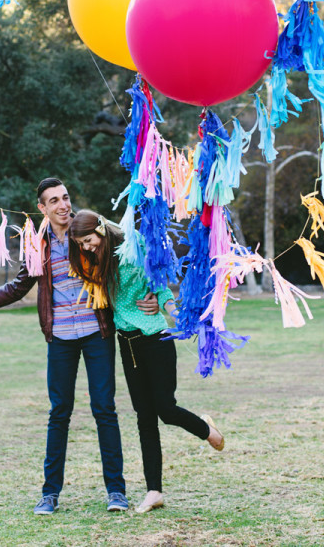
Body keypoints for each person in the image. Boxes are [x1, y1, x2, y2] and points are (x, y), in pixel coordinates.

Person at [0, 178, 130, 516]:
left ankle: (116, 491)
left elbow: (127, 261)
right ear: (42, 208)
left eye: (66, 198)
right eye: (54, 201)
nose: (63, 205)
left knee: (105, 410)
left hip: (97, 334)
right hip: (59, 338)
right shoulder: (36, 243)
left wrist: (149, 296)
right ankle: (49, 494)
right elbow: (17, 288)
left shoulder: (87, 231)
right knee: (59, 414)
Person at [68, 209, 225, 514]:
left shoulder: (135, 244)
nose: (85, 247)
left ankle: (208, 431)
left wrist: (171, 308)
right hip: (127, 345)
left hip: (155, 340)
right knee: (144, 419)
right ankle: (154, 490)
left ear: (101, 229)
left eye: (88, 240)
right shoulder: (94, 259)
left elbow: (161, 282)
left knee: (165, 409)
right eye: (81, 244)